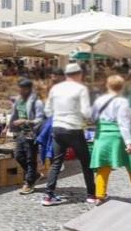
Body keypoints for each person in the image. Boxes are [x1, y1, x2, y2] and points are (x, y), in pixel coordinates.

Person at [90, 75, 131, 207]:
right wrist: (129, 142)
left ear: (107, 85)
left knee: (103, 167)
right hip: (118, 137)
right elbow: (123, 123)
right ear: (121, 87)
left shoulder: (99, 100)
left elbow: (93, 117)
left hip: (102, 136)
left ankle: (99, 197)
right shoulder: (122, 102)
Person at [43, 63, 95, 206]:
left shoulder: (55, 88)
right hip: (74, 128)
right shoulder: (81, 88)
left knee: (56, 162)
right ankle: (91, 195)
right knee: (86, 162)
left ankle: (48, 196)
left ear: (66, 74)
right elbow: (86, 112)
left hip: (57, 128)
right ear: (79, 74)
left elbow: (47, 111)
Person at [9, 78, 45, 195]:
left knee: (30, 159)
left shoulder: (37, 102)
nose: (20, 91)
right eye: (20, 88)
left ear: (29, 89)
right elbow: (14, 115)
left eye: (23, 89)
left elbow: (40, 119)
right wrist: (7, 127)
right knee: (18, 156)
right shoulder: (18, 101)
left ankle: (29, 183)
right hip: (21, 133)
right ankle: (34, 175)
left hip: (32, 134)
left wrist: (25, 121)